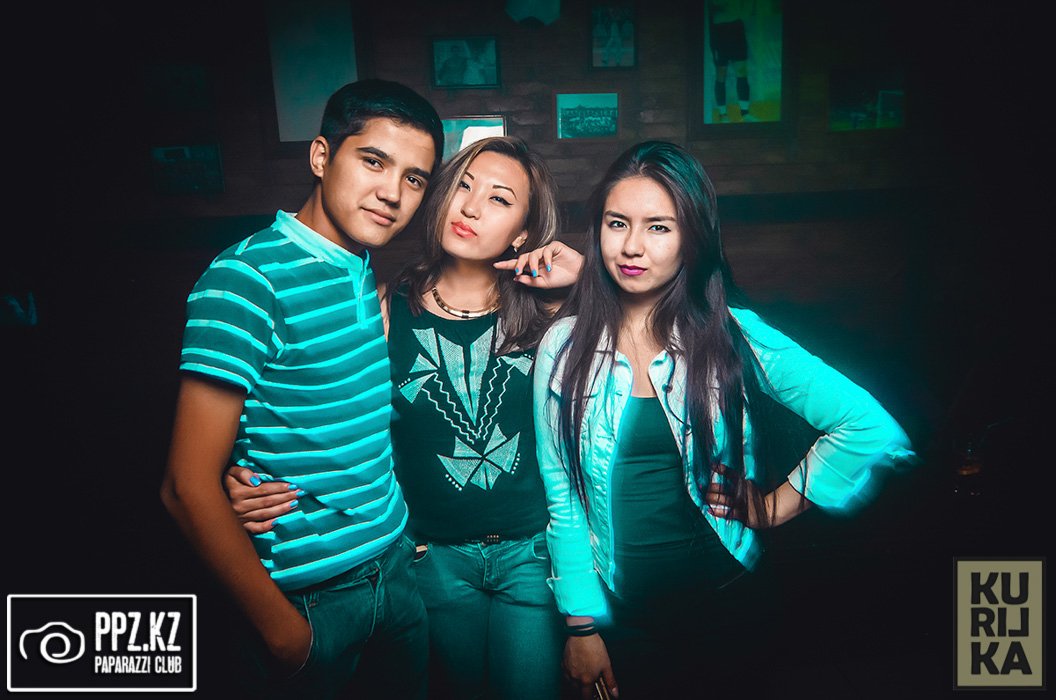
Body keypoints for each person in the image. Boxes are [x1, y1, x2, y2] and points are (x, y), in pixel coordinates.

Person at [532, 141, 915, 698]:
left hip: (727, 606)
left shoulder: (733, 334)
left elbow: (868, 426)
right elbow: (562, 494)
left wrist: (775, 505)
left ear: (692, 238)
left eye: (659, 227)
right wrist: (581, 627)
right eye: (617, 223)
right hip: (621, 620)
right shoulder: (564, 347)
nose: (632, 246)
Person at [224, 135, 584, 700]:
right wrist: (243, 473)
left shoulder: (550, 313)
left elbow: (623, 403)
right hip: (432, 559)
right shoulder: (385, 306)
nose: (470, 207)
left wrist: (587, 281)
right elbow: (323, 409)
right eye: (463, 186)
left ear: (523, 232)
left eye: (499, 198)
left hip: (531, 556)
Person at [159, 78, 444, 699]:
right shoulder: (246, 279)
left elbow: (318, 415)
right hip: (309, 600)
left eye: (415, 178)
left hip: (395, 572)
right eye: (373, 161)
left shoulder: (360, 267)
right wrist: (283, 633)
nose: (392, 193)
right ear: (321, 156)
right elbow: (184, 486)